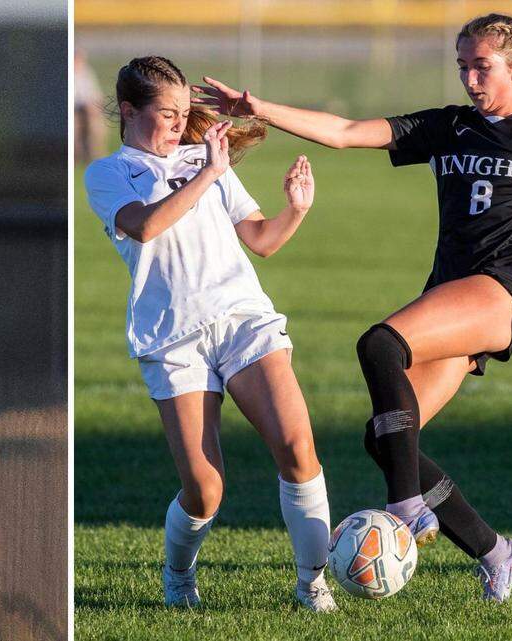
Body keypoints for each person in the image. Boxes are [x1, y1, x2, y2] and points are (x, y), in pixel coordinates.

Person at [194, 13, 512, 603]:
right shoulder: (448, 126)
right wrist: (260, 108)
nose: (470, 79)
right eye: (462, 66)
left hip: (503, 289)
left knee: (380, 344)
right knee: (386, 438)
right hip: (450, 294)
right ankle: (498, 553)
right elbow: (346, 131)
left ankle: (404, 506)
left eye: (482, 66)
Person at [84, 56, 336, 613]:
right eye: (166, 113)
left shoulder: (206, 158)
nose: (180, 124)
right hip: (172, 337)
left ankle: (313, 584)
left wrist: (296, 210)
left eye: (184, 113)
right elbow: (145, 226)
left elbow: (261, 240)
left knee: (297, 447)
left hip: (241, 317)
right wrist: (207, 174)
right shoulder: (107, 173)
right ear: (129, 110)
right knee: (205, 491)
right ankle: (178, 574)